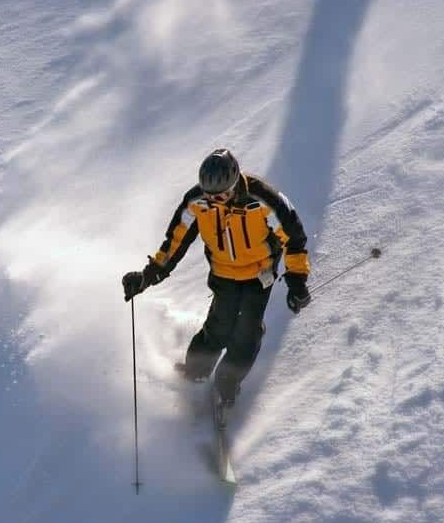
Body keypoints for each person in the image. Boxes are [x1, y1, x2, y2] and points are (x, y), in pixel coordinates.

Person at [122, 148, 312, 410]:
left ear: (235, 183)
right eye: (210, 196)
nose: (216, 202)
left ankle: (227, 384)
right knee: (218, 327)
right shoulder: (197, 202)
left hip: (259, 275)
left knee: (247, 333)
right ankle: (195, 373)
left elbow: (294, 238)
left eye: (221, 195)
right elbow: (175, 242)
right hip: (223, 274)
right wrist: (147, 276)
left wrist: (297, 281)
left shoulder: (262, 199)